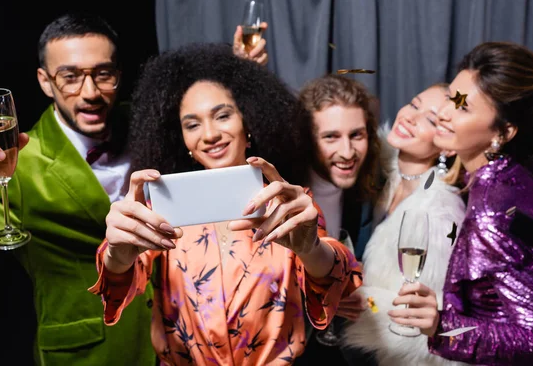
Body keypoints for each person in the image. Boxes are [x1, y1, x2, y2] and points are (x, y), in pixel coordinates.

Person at [89, 42, 362, 365]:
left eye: (222, 115)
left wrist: (312, 248)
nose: (209, 134)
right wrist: (117, 254)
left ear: (249, 123)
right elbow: (119, 280)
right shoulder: (163, 207)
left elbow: (338, 281)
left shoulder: (285, 201)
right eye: (192, 124)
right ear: (183, 141)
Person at [0, 13, 156, 365]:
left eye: (103, 75)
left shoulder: (148, 123)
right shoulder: (17, 165)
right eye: (71, 77)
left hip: (175, 339)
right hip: (86, 353)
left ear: (118, 76)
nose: (90, 92)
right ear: (45, 82)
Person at [390, 42, 533, 365]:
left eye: (463, 108)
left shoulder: (492, 212)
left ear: (504, 131)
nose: (444, 113)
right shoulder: (523, 177)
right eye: (452, 98)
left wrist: (442, 325)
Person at [341, 83, 467, 366]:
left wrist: (355, 299)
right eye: (413, 104)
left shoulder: (439, 213)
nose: (410, 116)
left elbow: (416, 325)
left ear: (447, 140)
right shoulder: (378, 168)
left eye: (431, 119)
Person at [293, 75, 380, 365]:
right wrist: (321, 296)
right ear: (307, 139)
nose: (347, 152)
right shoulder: (285, 192)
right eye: (331, 137)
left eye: (357, 135)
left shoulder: (365, 192)